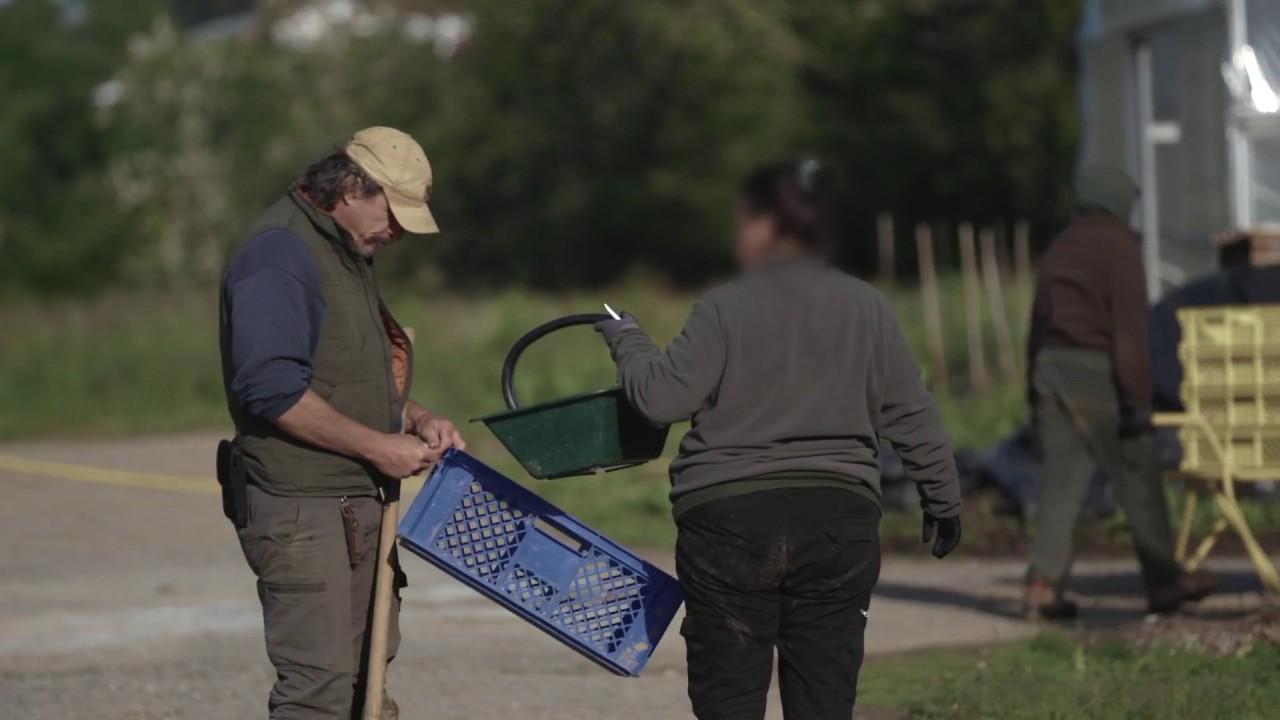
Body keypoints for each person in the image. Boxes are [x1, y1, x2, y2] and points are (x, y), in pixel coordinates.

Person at [594, 159, 962, 720]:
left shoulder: (724, 306)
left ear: (766, 226)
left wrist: (627, 338)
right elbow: (912, 411)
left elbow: (663, 398)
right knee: (824, 697)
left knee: (730, 699)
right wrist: (944, 499)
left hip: (728, 524)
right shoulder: (867, 305)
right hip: (838, 522)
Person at [218, 127, 466, 720]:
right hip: (303, 507)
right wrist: (380, 448)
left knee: (365, 687)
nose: (400, 231)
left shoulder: (345, 250)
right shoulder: (280, 252)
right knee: (320, 694)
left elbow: (340, 379)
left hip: (351, 505)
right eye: (395, 212)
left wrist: (417, 417)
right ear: (352, 187)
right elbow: (273, 390)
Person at [1023, 165, 1213, 620]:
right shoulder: (1120, 248)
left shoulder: (1061, 246)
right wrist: (1137, 404)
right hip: (1097, 374)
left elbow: (1037, 324)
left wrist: (1032, 386)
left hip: (1051, 370)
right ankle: (1165, 583)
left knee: (1062, 486)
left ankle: (1041, 587)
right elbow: (1130, 333)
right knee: (1138, 474)